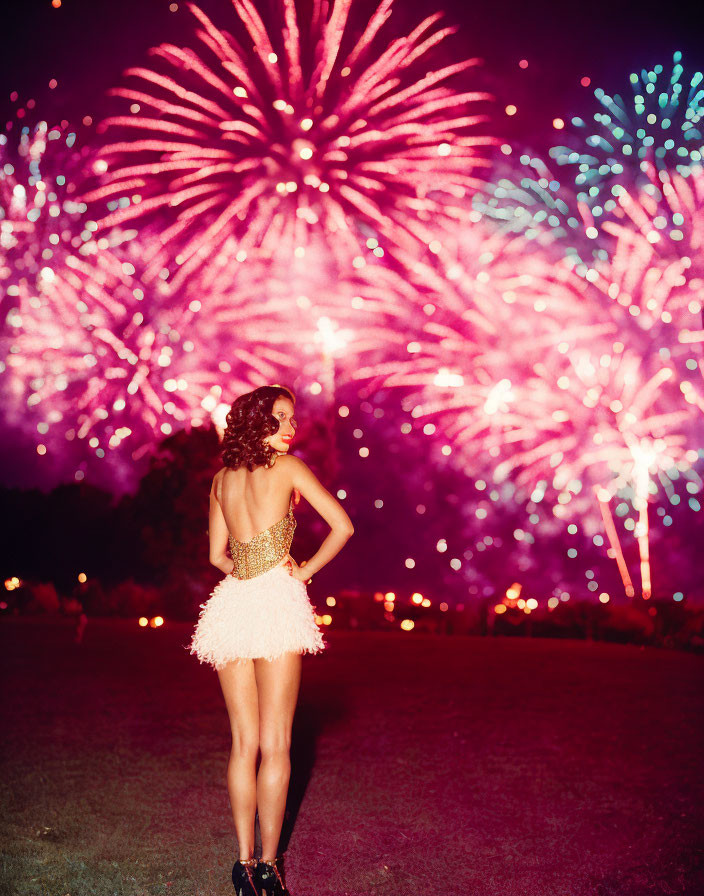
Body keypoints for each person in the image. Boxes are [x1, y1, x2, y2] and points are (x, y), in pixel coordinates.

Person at [187, 385, 354, 896]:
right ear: (255, 421)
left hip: (231, 604)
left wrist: (250, 563)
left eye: (291, 418)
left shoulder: (220, 480)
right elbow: (343, 526)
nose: (290, 427)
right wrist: (301, 570)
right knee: (276, 743)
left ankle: (241, 864)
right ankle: (266, 867)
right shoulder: (289, 469)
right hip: (276, 601)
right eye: (279, 417)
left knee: (244, 743)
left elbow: (218, 556)